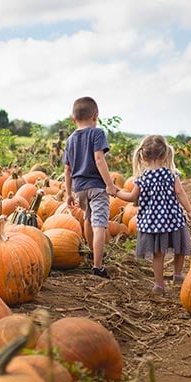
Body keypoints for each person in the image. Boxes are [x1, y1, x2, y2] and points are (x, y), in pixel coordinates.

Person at [115, 135, 191, 293]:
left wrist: (116, 192)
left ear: (143, 157)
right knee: (179, 247)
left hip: (153, 221)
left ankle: (159, 284)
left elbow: (132, 197)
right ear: (165, 155)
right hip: (173, 218)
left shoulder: (142, 178)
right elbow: (180, 192)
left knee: (158, 254)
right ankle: (178, 274)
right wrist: (189, 210)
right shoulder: (172, 173)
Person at [63, 96, 120, 278]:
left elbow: (67, 168)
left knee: (87, 219)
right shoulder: (97, 134)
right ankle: (97, 266)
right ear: (95, 116)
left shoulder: (70, 139)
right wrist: (109, 184)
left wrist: (68, 193)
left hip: (79, 188)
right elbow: (98, 159)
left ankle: (90, 251)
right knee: (100, 224)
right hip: (97, 186)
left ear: (73, 119)